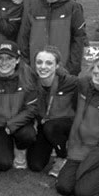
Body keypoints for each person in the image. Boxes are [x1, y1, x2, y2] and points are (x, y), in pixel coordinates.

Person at [56, 53, 99, 196]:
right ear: (94, 65)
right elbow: (74, 105)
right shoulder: (83, 83)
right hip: (79, 148)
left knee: (83, 193)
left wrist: (85, 167)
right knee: (64, 187)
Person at [17, 0, 87, 75]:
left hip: (64, 70)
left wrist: (73, 68)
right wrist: (28, 65)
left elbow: (79, 39)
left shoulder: (73, 7)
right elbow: (24, 38)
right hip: (37, 70)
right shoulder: (33, 8)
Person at [0, 41, 38, 171]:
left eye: (9, 58)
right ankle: (6, 145)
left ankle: (20, 150)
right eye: (0, 58)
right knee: (2, 164)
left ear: (17, 60)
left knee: (27, 134)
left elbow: (32, 108)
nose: (4, 62)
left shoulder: (27, 76)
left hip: (20, 124)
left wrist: (12, 124)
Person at [26, 46, 77, 177]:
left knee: (52, 127)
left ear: (57, 65)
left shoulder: (70, 82)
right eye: (39, 62)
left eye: (49, 63)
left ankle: (62, 156)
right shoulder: (30, 81)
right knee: (35, 165)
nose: (43, 67)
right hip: (44, 124)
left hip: (63, 125)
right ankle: (52, 146)